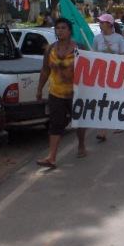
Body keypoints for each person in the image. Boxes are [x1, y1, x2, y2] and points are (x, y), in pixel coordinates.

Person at [36, 18, 86, 168]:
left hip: (76, 93)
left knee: (78, 122)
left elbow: (89, 69)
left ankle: (81, 144)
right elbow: (45, 70)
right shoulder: (50, 49)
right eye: (58, 28)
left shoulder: (80, 48)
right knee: (55, 123)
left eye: (64, 28)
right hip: (56, 93)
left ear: (70, 31)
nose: (60, 30)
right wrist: (39, 89)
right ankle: (51, 157)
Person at [92, 13, 124, 140]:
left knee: (116, 99)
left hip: (116, 73)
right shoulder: (97, 39)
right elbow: (93, 55)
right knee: (103, 100)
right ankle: (103, 130)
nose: (100, 24)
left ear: (109, 24)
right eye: (100, 22)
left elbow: (123, 55)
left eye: (102, 22)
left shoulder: (118, 38)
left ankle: (119, 122)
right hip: (102, 74)